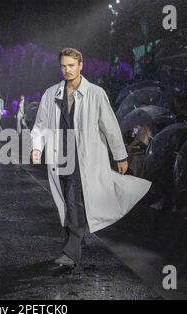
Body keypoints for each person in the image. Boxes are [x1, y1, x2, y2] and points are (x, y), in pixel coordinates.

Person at [30, 48, 152, 267]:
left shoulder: (95, 93)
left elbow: (110, 126)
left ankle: (71, 253)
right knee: (68, 203)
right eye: (63, 66)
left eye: (71, 65)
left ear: (80, 65)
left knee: (73, 201)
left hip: (84, 158)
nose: (67, 70)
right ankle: (77, 240)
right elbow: (40, 125)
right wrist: (37, 148)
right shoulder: (51, 94)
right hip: (60, 156)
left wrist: (120, 156)